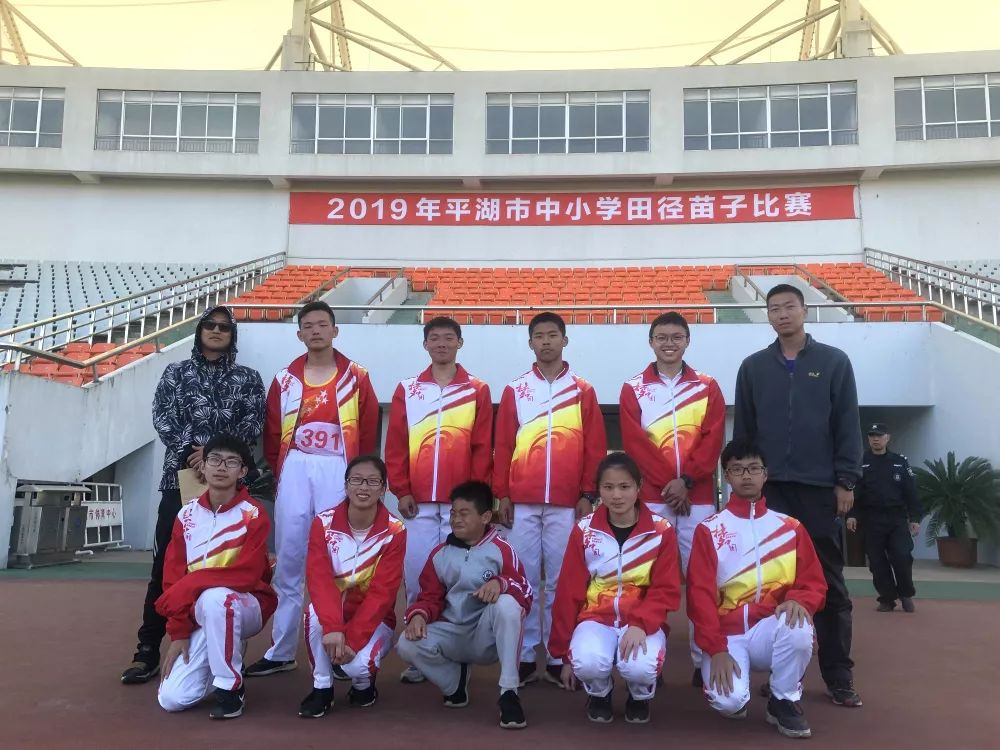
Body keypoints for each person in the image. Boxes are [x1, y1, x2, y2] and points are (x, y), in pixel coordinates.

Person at [733, 283, 864, 708]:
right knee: (773, 584)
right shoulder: (753, 367)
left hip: (818, 488)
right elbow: (744, 432)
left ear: (804, 310)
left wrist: (846, 480)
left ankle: (839, 674)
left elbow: (847, 423)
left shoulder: (833, 362)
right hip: (770, 491)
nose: (782, 314)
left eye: (789, 306)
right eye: (774, 309)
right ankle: (781, 672)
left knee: (828, 582)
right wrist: (745, 481)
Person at [121, 306, 266, 685]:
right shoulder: (176, 373)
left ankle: (224, 648)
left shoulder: (248, 378)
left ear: (232, 335)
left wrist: (215, 453)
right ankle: (147, 649)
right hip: (180, 480)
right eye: (210, 325)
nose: (217, 331)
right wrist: (194, 452)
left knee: (227, 565)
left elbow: (253, 422)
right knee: (165, 567)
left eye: (224, 327)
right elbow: (163, 417)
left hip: (231, 486)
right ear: (200, 331)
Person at [247, 300, 379, 677]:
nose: (316, 330)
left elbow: (368, 429)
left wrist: (360, 477)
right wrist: (284, 470)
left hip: (338, 465)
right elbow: (273, 432)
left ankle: (338, 646)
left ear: (335, 330)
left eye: (323, 324)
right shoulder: (285, 379)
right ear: (299, 334)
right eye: (309, 325)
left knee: (338, 559)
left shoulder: (357, 376)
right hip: (296, 467)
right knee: (289, 557)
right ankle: (281, 650)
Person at [493, 311, 607, 687]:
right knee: (523, 578)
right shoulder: (515, 390)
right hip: (522, 500)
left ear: (564, 340)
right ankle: (525, 655)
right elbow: (503, 445)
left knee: (562, 580)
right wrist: (502, 494)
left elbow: (595, 448)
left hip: (566, 501)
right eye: (539, 336)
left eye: (552, 335)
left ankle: (558, 654)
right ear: (530, 343)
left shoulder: (582, 390)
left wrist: (588, 493)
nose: (546, 341)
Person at [687, 438, 827, 740]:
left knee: (799, 624)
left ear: (765, 474)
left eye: (753, 468)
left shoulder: (790, 527)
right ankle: (734, 688)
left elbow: (813, 582)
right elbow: (699, 596)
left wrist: (800, 600)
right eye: (737, 469)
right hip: (727, 634)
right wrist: (715, 649)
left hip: (769, 628)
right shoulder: (709, 529)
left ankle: (783, 699)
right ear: (727, 476)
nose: (746, 476)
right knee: (729, 703)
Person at [385, 316, 493, 683]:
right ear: (425, 344)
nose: (442, 343)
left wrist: (474, 501)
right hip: (418, 503)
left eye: (449, 338)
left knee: (461, 579)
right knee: (418, 575)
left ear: (460, 343)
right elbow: (396, 444)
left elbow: (482, 448)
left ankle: (458, 648)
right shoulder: (408, 389)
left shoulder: (477, 389)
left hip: (460, 506)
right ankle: (422, 651)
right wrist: (401, 489)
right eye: (435, 338)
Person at [619, 310, 725, 687]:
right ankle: (651, 656)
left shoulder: (707, 386)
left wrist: (687, 480)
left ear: (687, 341)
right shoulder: (633, 388)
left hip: (698, 499)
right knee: (648, 579)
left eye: (676, 337)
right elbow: (635, 444)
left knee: (703, 579)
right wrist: (670, 484)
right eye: (661, 337)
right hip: (652, 498)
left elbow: (713, 439)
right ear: (651, 342)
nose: (669, 343)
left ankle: (703, 658)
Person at [548, 452, 680, 725]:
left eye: (624, 486)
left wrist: (641, 624)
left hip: (642, 621)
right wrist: (564, 655)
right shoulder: (584, 530)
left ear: (639, 486)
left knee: (641, 668)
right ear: (598, 489)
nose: (616, 495)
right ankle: (600, 693)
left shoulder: (661, 530)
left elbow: (666, 589)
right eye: (608, 487)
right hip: (596, 619)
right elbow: (569, 591)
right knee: (586, 662)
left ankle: (639, 695)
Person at [156, 434, 276, 720]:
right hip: (200, 612)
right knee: (172, 699)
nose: (221, 467)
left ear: (242, 471)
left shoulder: (253, 514)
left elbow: (247, 575)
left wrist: (193, 582)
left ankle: (230, 688)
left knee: (216, 598)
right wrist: (179, 633)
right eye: (214, 460)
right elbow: (173, 579)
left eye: (231, 462)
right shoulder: (186, 515)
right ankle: (226, 650)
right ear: (203, 466)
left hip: (246, 605)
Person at [396, 480, 532, 730]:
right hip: (452, 634)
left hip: (486, 638)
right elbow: (429, 597)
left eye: (464, 513)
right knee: (406, 642)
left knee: (507, 604)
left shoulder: (501, 550)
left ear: (485, 517)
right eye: (453, 513)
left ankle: (509, 693)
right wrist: (418, 615)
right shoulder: (440, 553)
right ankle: (454, 682)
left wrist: (501, 583)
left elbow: (525, 591)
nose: (456, 519)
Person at [298, 455, 406, 717]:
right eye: (356, 480)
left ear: (383, 488)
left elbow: (383, 593)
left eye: (372, 481)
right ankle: (322, 687)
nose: (363, 487)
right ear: (346, 485)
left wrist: (353, 641)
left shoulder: (395, 530)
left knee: (357, 667)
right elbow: (319, 579)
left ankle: (363, 686)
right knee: (314, 614)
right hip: (334, 611)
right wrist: (334, 627)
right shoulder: (323, 523)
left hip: (373, 620)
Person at [847, 423, 922, 613]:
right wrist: (852, 515)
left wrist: (915, 518)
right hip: (871, 519)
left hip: (896, 518)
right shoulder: (861, 462)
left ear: (887, 438)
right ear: (868, 439)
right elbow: (854, 492)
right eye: (872, 435)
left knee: (902, 556)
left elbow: (911, 492)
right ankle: (887, 598)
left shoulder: (899, 461)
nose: (875, 439)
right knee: (877, 562)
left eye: (879, 435)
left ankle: (906, 594)